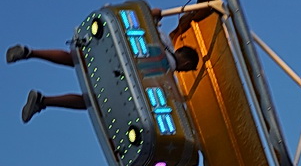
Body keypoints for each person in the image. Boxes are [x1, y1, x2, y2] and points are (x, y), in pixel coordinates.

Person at [13, 37, 200, 126]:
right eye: (187, 69)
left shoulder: (162, 40)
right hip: (120, 85)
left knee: (76, 59)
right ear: (186, 63)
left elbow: (152, 15)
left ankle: (31, 52)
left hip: (114, 58)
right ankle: (44, 101)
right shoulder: (168, 81)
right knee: (92, 101)